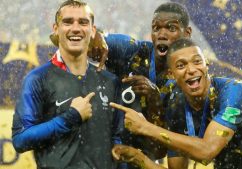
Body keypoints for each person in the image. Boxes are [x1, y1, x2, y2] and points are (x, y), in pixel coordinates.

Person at [109, 38, 242, 169]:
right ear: (171, 74)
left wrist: (146, 127)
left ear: (206, 66)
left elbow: (206, 151)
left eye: (197, 62)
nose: (191, 70)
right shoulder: (176, 105)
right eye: (181, 66)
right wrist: (137, 157)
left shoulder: (235, 91)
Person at [51, 2, 192, 163]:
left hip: (139, 161)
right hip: (98, 151)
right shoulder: (133, 51)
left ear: (187, 34)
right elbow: (95, 40)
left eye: (171, 28)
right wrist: (97, 38)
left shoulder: (188, 87)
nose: (162, 34)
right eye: (156, 28)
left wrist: (155, 102)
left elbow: (159, 152)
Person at [12, 1, 121, 168]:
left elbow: (118, 141)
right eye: (68, 22)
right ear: (56, 29)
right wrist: (71, 117)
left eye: (83, 22)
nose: (76, 28)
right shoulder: (37, 79)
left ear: (93, 30)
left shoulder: (110, 81)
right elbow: (21, 139)